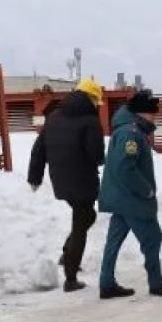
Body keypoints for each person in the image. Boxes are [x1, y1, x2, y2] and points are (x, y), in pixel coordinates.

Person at [97, 89, 162, 298]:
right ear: (142, 113)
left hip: (120, 197)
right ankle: (156, 282)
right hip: (132, 199)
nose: (154, 117)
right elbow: (125, 168)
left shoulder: (127, 129)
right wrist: (146, 190)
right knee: (152, 238)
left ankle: (106, 283)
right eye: (152, 113)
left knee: (114, 241)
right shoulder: (131, 134)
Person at [27, 78, 105, 292]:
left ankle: (67, 253)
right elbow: (96, 154)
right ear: (91, 98)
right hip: (82, 179)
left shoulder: (54, 116)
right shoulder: (90, 119)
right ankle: (70, 277)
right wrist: (101, 159)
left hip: (60, 178)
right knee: (81, 224)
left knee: (86, 217)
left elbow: (39, 148)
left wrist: (35, 176)